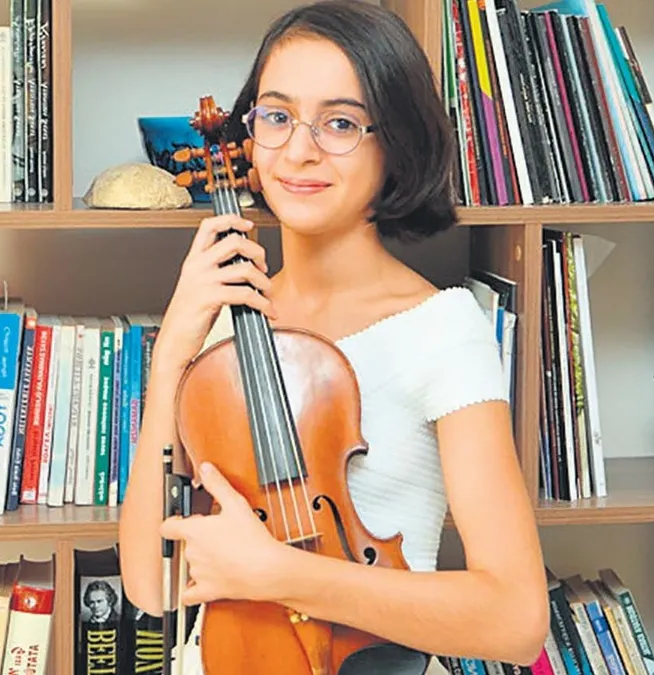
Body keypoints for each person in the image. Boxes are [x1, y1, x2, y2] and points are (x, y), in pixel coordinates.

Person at [116, 0, 549, 671]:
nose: (299, 150)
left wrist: (282, 574)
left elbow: (516, 621)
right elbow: (153, 585)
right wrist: (174, 347)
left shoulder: (442, 327)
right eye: (277, 116)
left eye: (340, 123)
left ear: (395, 145)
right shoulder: (227, 330)